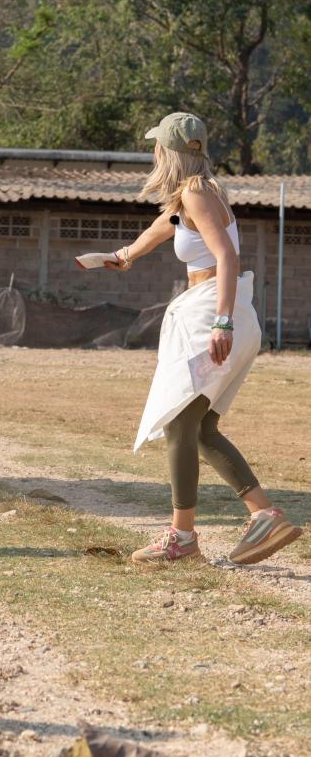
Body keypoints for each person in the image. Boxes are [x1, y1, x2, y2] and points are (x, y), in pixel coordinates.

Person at [103, 112, 302, 568]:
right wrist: (124, 255)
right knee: (202, 429)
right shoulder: (197, 194)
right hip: (224, 312)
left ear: (167, 151)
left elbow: (227, 255)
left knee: (179, 424)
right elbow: (164, 227)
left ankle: (183, 537)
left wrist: (222, 322)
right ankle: (262, 515)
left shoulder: (195, 192)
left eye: (157, 145)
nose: (154, 152)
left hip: (211, 313)